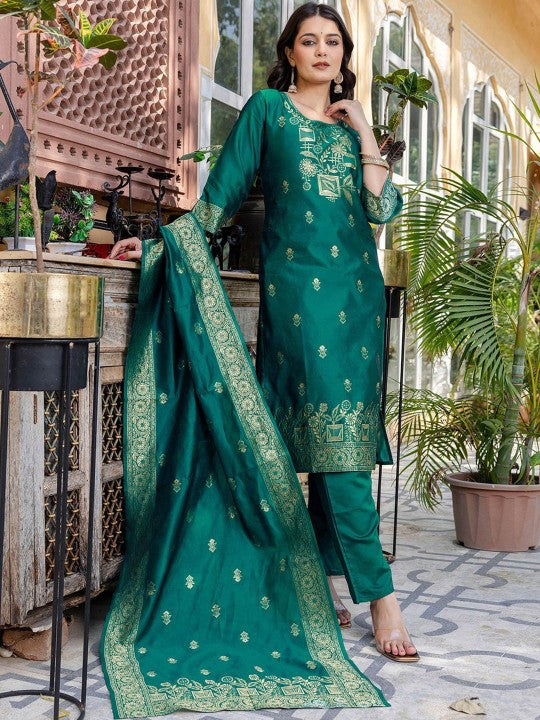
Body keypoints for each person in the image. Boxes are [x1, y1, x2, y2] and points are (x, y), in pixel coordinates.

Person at [103, 3, 418, 718]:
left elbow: (382, 210)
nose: (322, 50)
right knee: (332, 448)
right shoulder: (267, 112)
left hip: (358, 303)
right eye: (309, 40)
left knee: (335, 446)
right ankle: (383, 601)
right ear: (289, 50)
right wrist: (160, 244)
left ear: (344, 56)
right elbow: (219, 198)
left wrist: (364, 130)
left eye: (333, 41)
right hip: (299, 302)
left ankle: (325, 582)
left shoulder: (349, 130)